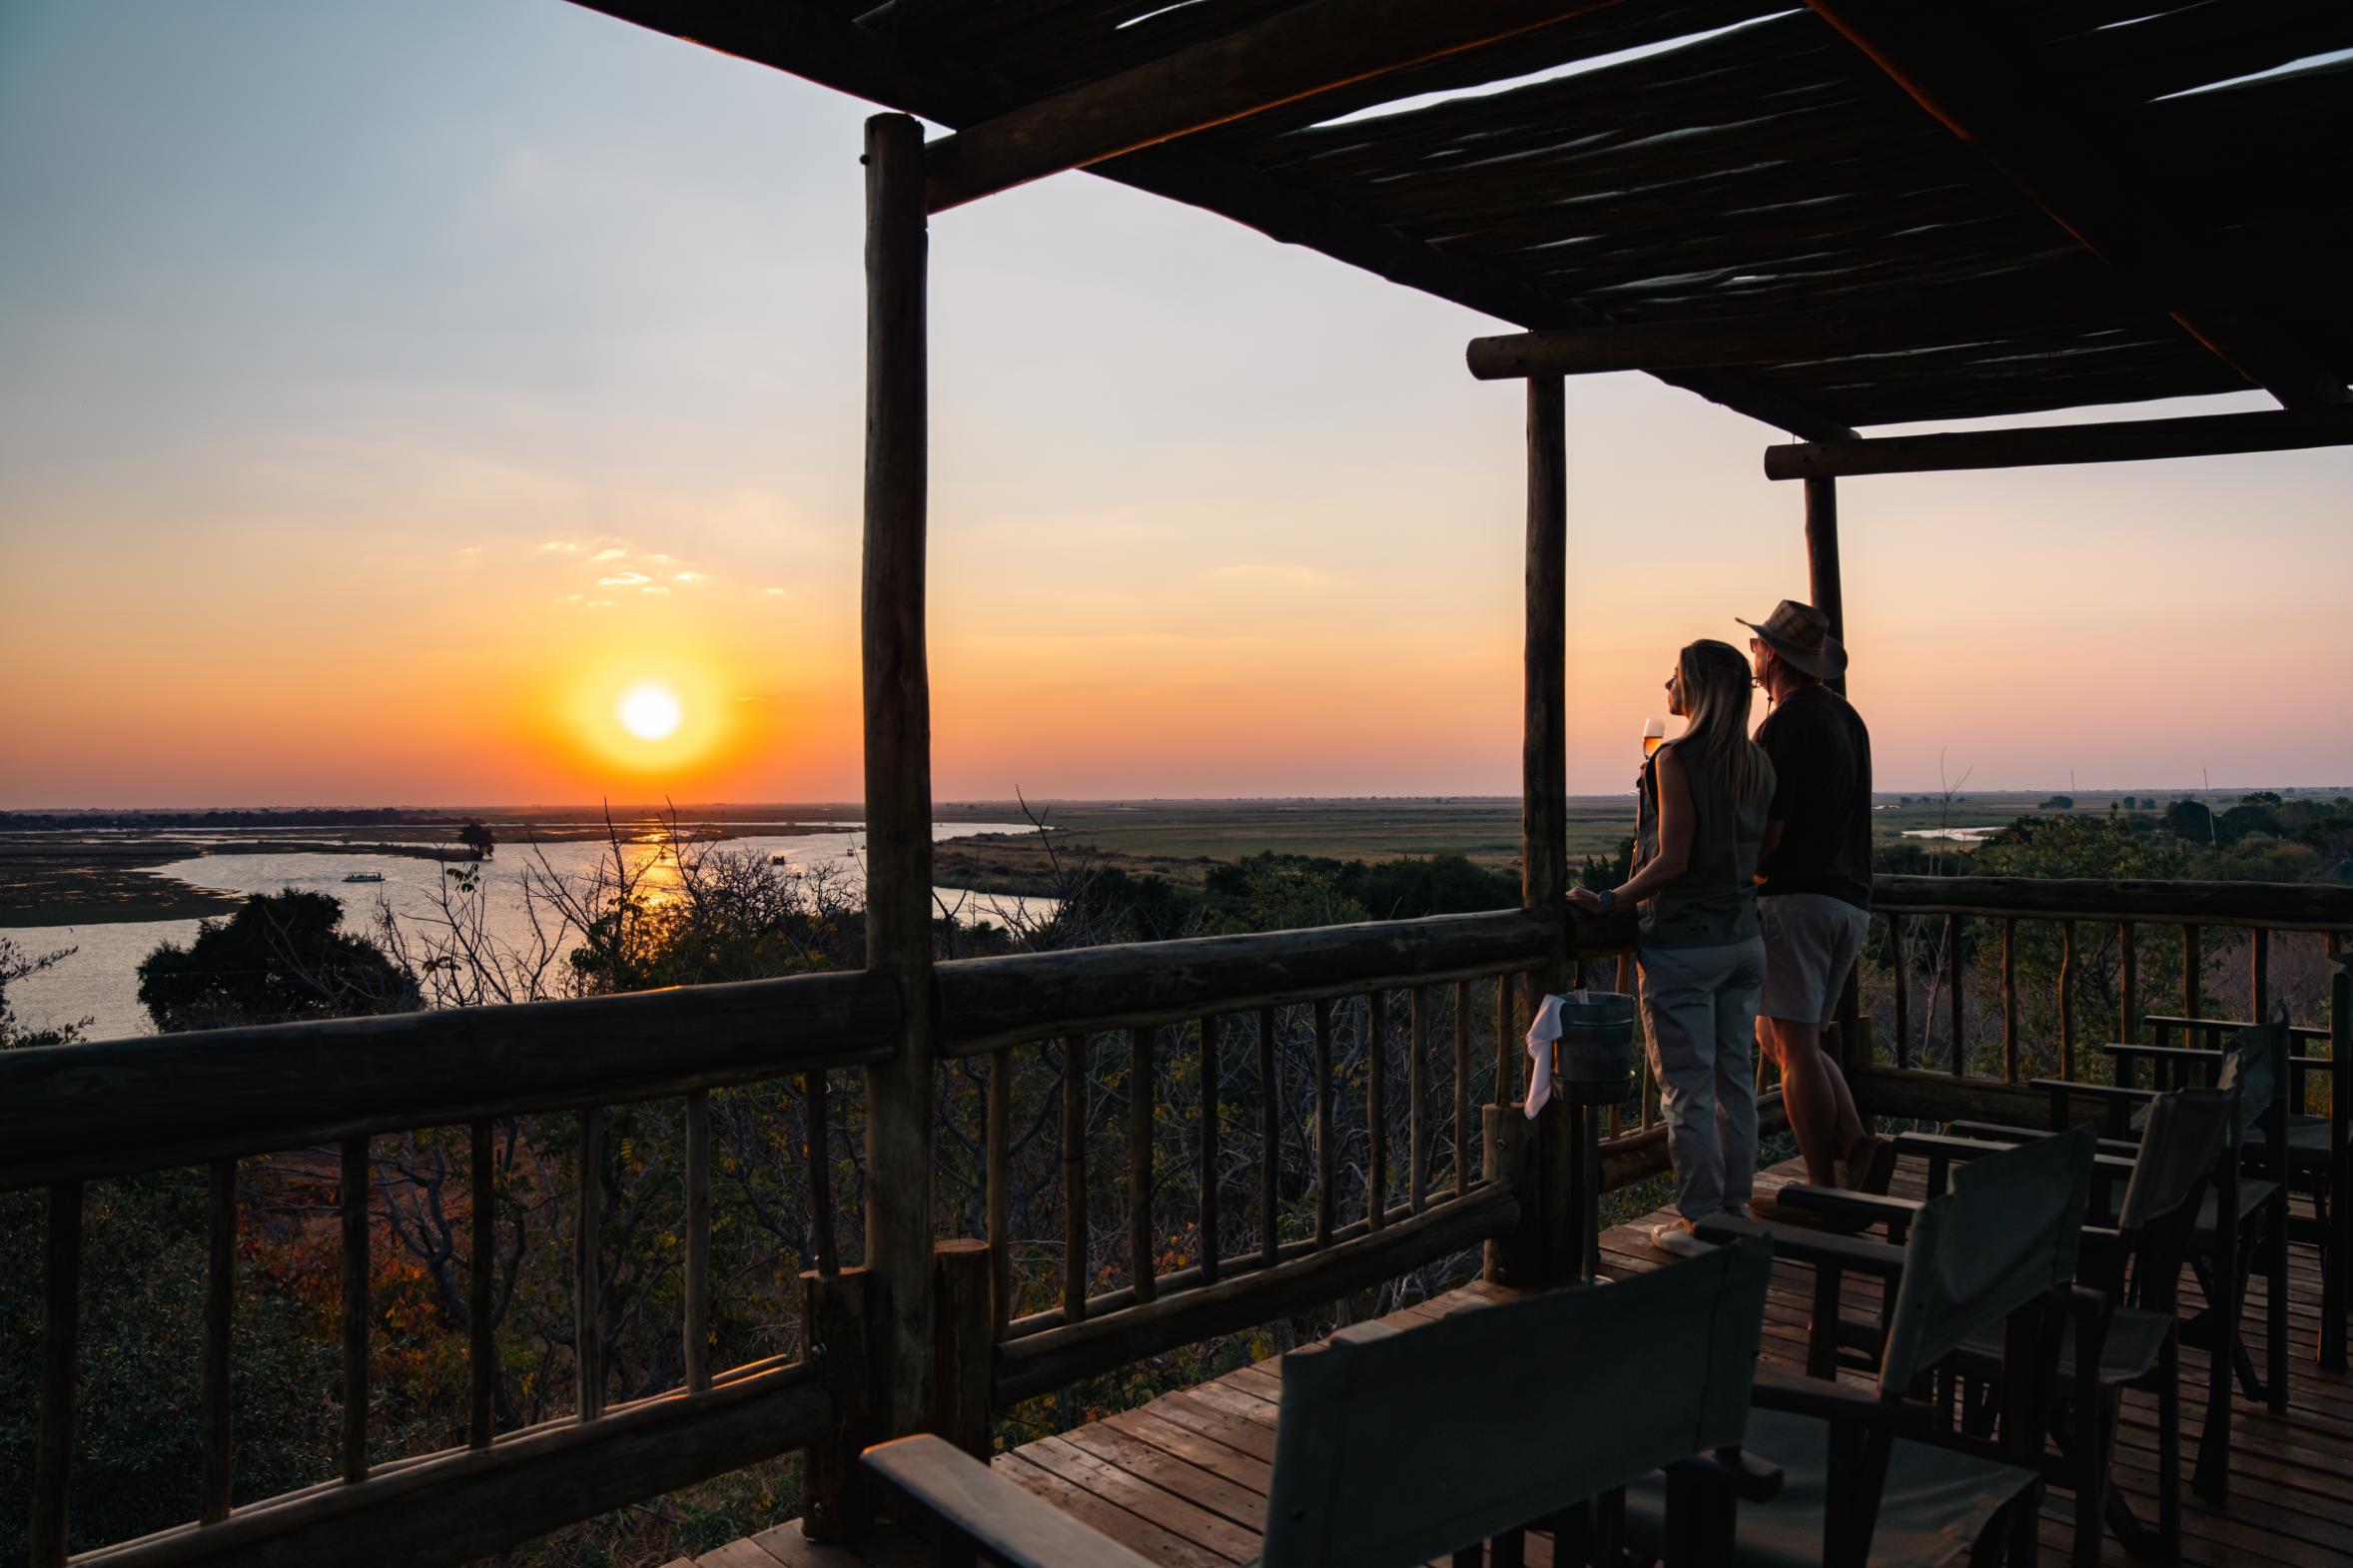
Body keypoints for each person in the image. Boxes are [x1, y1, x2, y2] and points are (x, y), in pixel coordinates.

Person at [1570, 639, 1775, 1258]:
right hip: (1743, 942)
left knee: (1687, 1090)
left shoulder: (1677, 758)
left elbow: (1673, 858)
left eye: (1675, 676)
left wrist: (1610, 900)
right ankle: (1733, 1207)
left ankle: (1702, 1223)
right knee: (1733, 1082)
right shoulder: (1757, 763)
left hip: (1684, 946)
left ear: (1698, 687)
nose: (1667, 685)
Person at [1737, 599, 1894, 1213]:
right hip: (1848, 901)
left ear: (1772, 655)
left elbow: (1768, 830)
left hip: (1794, 900)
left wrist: (1742, 869)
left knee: (1794, 1049)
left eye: (1757, 646)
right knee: (1785, 1039)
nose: (1753, 655)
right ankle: (1856, 1144)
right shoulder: (1848, 718)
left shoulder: (1782, 727)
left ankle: (1826, 1190)